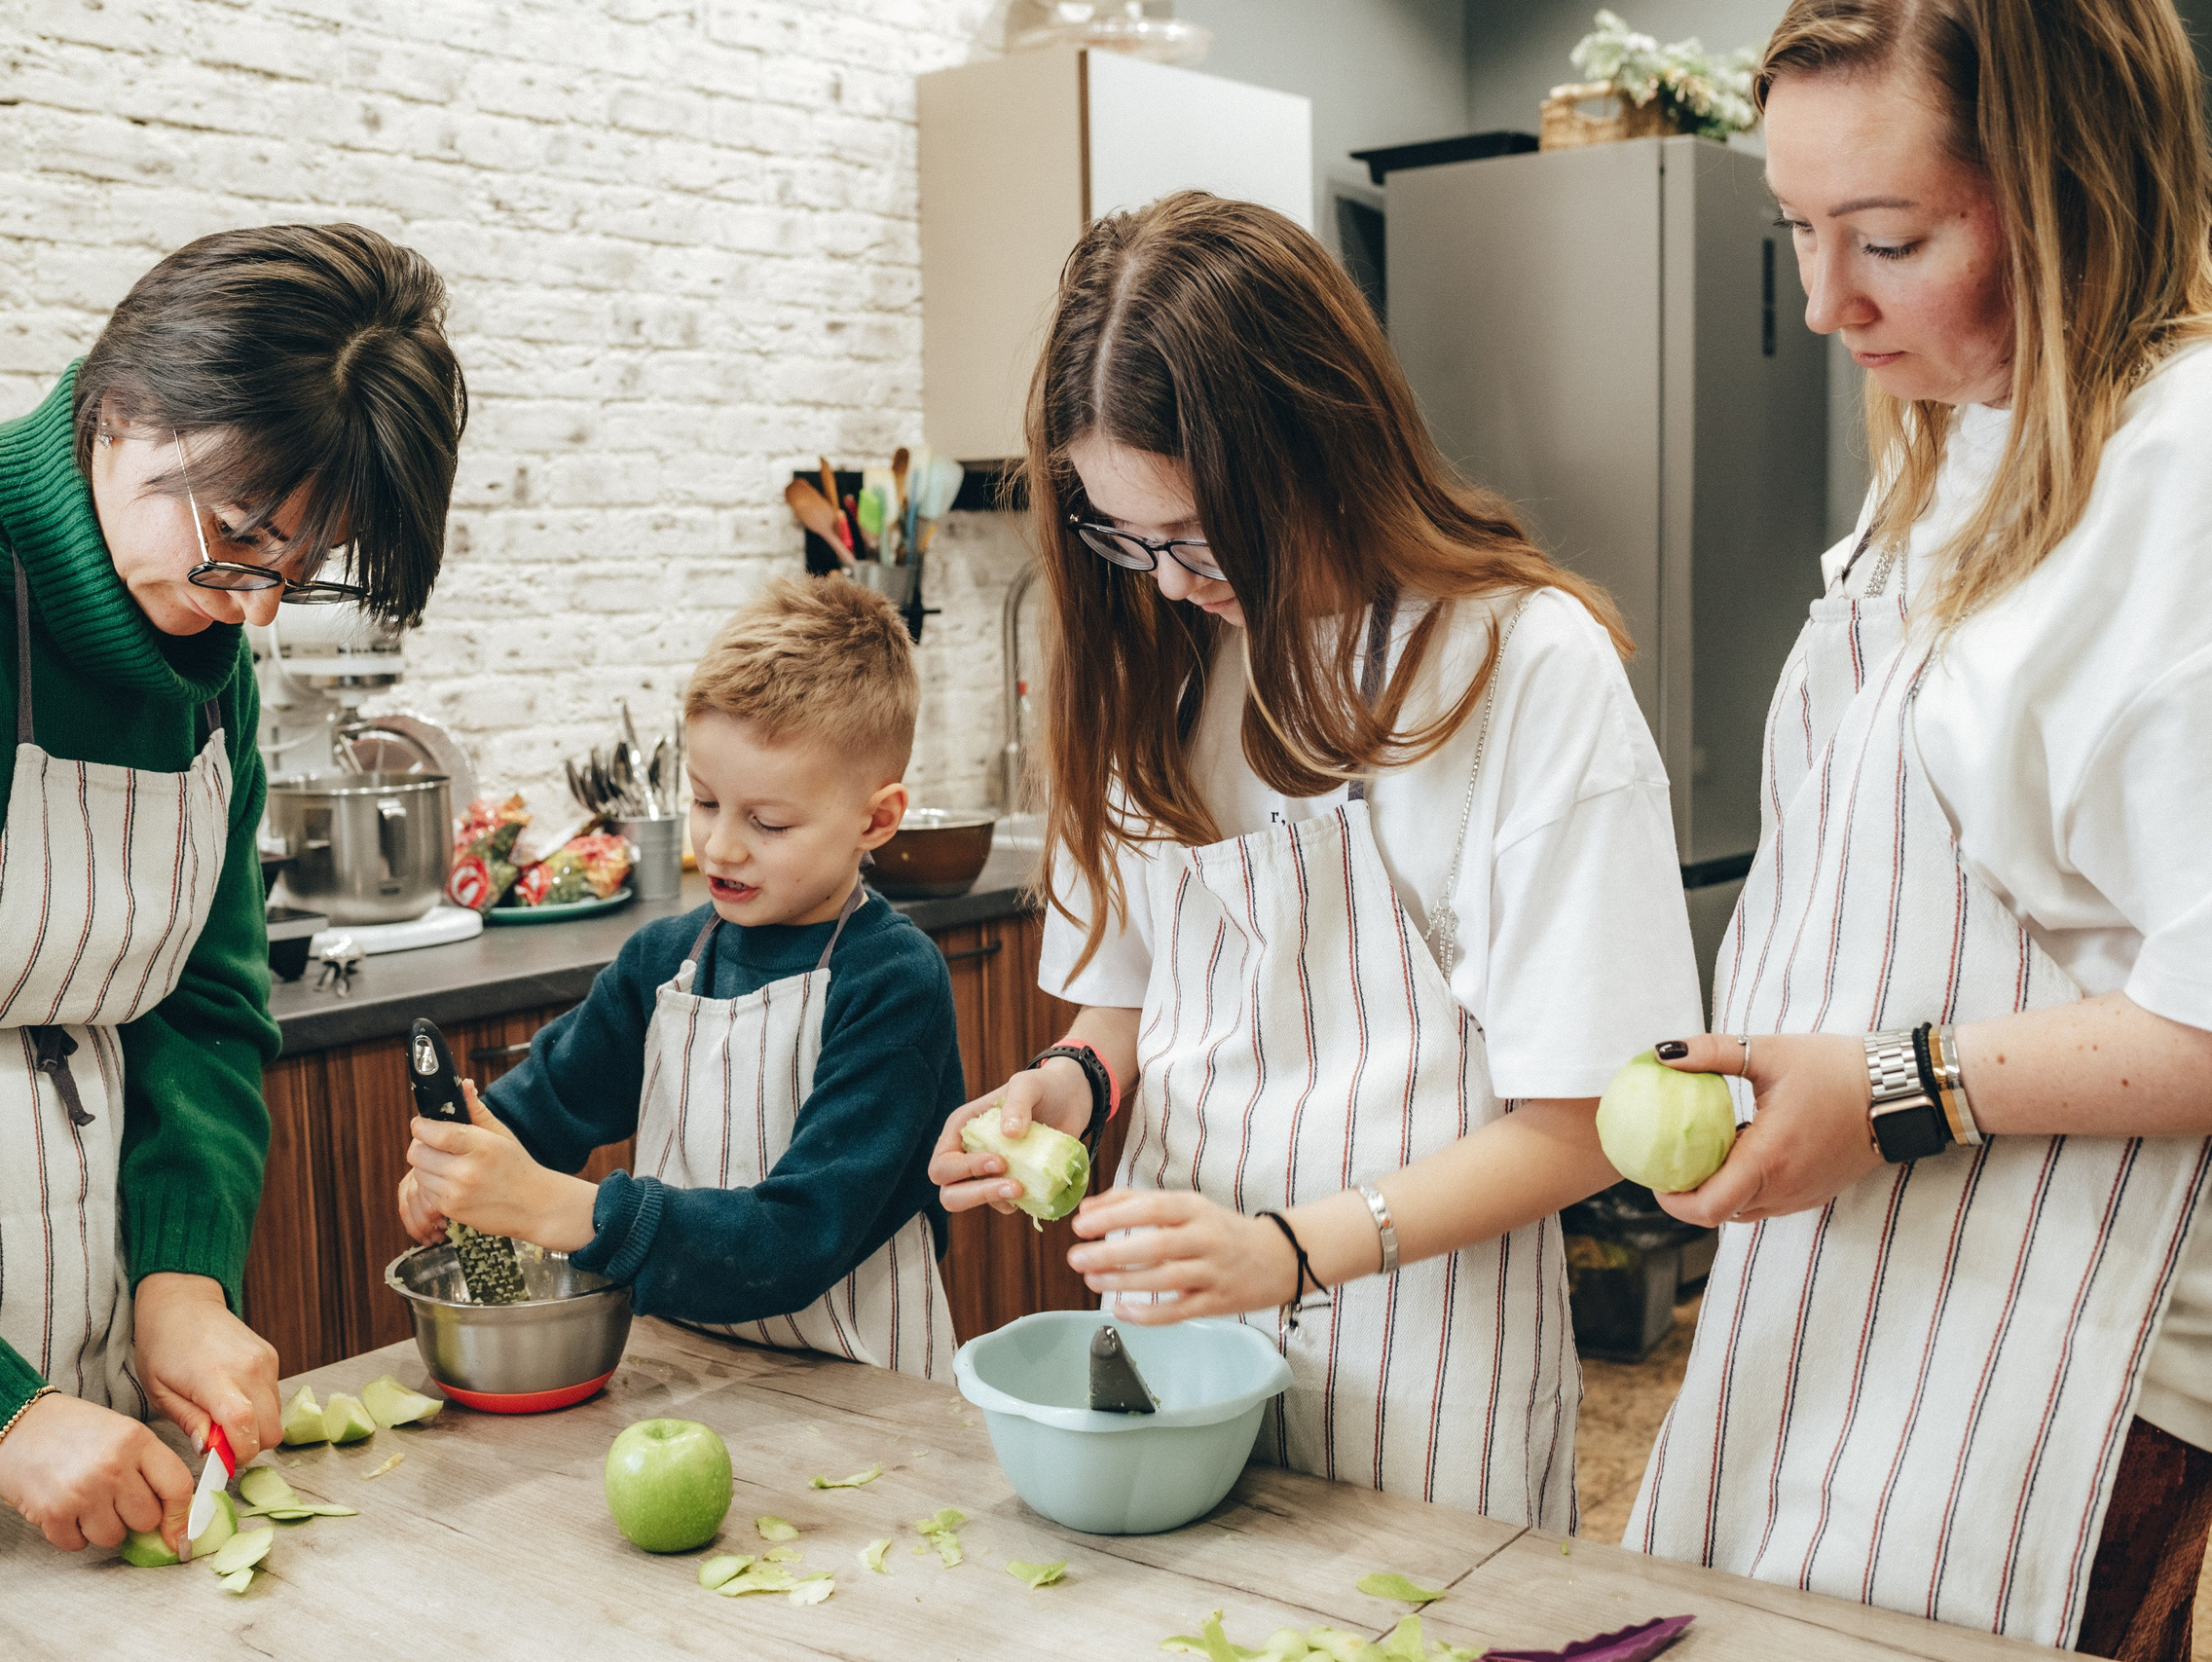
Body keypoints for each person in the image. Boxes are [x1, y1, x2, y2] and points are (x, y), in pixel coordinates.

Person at [928, 193, 1703, 1527]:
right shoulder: (1155, 662)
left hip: (1423, 1362)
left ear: (1319, 446)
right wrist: (1069, 1078)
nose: (1166, 582)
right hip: (1172, 1342)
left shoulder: (1522, 665)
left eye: (1197, 534)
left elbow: (1583, 1125)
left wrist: (1285, 1248)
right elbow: (1132, 997)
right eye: (1125, 537)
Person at [0, 223, 466, 1556]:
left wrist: (182, 1272)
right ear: (120, 407)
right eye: (239, 540)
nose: (254, 614)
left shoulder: (198, 633)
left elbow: (206, 1001)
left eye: (300, 570)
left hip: (79, 1344)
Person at [1625, 1, 2212, 1653]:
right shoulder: (1963, 428)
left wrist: (1889, 1087)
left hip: (2077, 1331)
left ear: (2077, 185)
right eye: (1799, 233)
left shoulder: (2188, 470)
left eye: (1888, 239)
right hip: (1882, 1264)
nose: (1826, 304)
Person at [399, 576, 963, 1382]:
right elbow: (544, 1105)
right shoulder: (662, 962)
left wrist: (561, 1208)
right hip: (684, 1370)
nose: (723, 846)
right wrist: (459, 1161)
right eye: (703, 801)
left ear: (876, 819)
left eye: (768, 822)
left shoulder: (892, 982)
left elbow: (797, 1238)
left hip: (871, 1388)